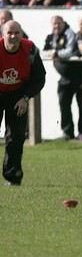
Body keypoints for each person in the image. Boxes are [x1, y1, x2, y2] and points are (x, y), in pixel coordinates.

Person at [0, 20, 46, 186]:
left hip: (19, 96)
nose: (13, 37)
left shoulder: (30, 50)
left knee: (16, 137)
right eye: (9, 33)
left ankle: (12, 178)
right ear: (3, 35)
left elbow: (39, 78)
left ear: (21, 34)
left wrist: (26, 98)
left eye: (16, 33)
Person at [43, 16, 82, 140]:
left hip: (77, 77)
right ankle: (67, 132)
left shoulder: (69, 33)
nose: (56, 26)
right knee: (64, 104)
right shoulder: (51, 36)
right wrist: (53, 53)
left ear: (63, 23)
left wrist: (56, 54)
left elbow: (70, 51)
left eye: (58, 23)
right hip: (64, 78)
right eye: (54, 24)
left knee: (81, 105)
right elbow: (43, 51)